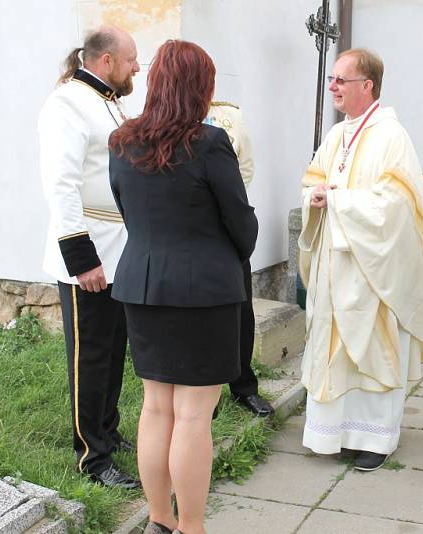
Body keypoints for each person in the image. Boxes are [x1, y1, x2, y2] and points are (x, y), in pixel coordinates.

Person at [108, 40, 258, 534]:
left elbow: (131, 214)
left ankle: (159, 520)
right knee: (193, 415)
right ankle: (192, 528)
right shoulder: (210, 144)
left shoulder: (123, 142)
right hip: (204, 293)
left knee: (156, 406)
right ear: (201, 88)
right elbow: (243, 227)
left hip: (144, 286)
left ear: (157, 83)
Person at [298, 48, 423, 472]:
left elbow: (398, 204)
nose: (333, 87)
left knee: (372, 351)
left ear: (368, 86)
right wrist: (315, 197)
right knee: (333, 350)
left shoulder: (390, 136)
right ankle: (334, 434)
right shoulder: (338, 134)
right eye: (332, 80)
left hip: (372, 268)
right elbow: (311, 181)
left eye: (341, 80)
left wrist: (338, 200)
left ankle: (376, 438)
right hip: (334, 264)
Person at [38, 26, 140, 489]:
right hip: (90, 250)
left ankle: (107, 430)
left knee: (113, 349)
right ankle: (92, 457)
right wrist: (82, 258)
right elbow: (61, 185)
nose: (137, 67)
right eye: (132, 60)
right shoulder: (67, 103)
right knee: (90, 355)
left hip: (118, 250)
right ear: (105, 61)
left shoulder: (107, 100)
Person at [205, 101, 274, 417]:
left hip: (228, 222)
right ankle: (207, 390)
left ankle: (243, 386)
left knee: (241, 311)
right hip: (191, 231)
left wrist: (226, 202)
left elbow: (245, 167)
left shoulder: (228, 117)